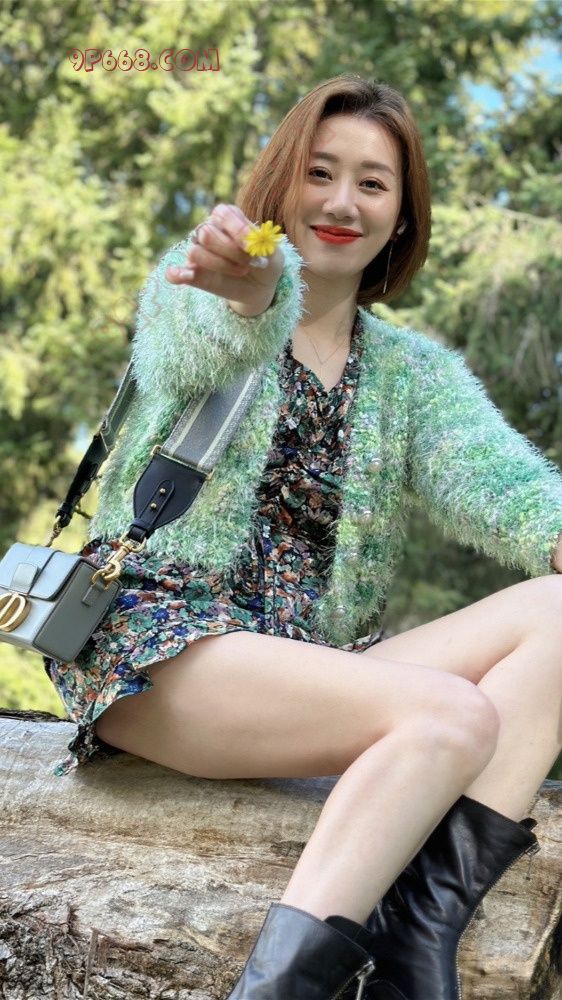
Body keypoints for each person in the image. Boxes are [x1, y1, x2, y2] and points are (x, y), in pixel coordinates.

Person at [43, 75, 562, 999]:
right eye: (320, 173)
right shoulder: (200, 289)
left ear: (402, 216)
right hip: (158, 646)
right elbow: (194, 339)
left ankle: (415, 939)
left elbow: (506, 486)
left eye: (372, 182)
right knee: (453, 713)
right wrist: (251, 296)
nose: (341, 202)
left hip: (311, 667)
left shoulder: (409, 374)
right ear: (281, 184)